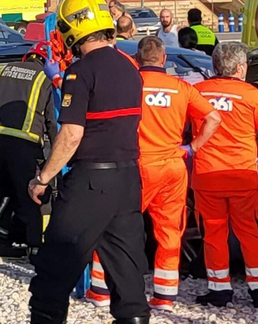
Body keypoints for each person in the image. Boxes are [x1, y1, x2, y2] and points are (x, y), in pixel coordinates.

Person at [0, 0, 150, 324]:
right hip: (127, 179)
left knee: (54, 267)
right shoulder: (130, 68)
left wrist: (43, 178)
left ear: (71, 30)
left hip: (90, 180)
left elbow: (71, 134)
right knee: (127, 273)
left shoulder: (81, 73)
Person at [89, 36, 219, 310]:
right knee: (170, 231)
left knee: (114, 225)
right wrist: (192, 147)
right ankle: (165, 296)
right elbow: (213, 118)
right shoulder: (181, 88)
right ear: (163, 59)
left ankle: (101, 290)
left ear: (137, 59)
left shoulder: (130, 84)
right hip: (172, 166)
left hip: (136, 165)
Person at [191, 42, 258, 307]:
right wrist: (257, 162)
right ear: (240, 68)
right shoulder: (251, 95)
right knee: (250, 233)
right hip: (242, 175)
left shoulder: (198, 91)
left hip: (207, 175)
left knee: (213, 234)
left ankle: (219, 289)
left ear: (215, 65)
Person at [0, 41, 57, 256]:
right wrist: (57, 154)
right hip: (25, 144)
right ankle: (34, 245)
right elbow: (51, 119)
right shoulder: (44, 77)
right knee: (29, 195)